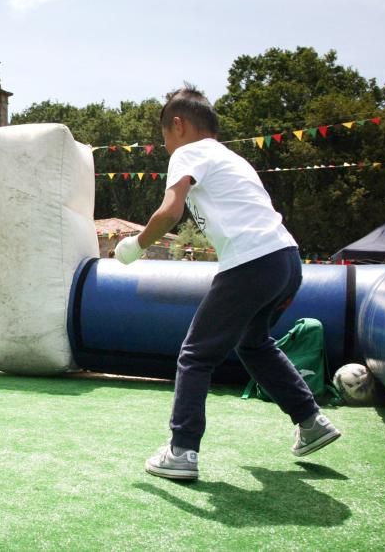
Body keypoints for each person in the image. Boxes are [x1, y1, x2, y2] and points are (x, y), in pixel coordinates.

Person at [114, 85, 340, 481]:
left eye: (164, 136)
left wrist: (136, 245)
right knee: (253, 343)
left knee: (195, 354)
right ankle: (311, 420)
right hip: (287, 261)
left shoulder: (188, 152)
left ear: (178, 126)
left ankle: (182, 450)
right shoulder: (232, 158)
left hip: (251, 263)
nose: (166, 146)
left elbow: (170, 211)